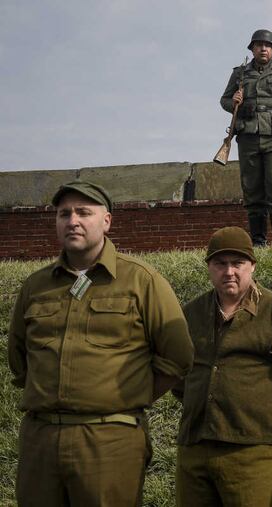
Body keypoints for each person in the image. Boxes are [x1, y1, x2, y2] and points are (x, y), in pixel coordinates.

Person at [7, 180, 194, 506]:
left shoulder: (141, 281)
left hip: (109, 440)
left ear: (106, 221)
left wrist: (129, 396)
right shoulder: (35, 286)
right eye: (64, 214)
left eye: (83, 212)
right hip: (41, 439)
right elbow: (19, 358)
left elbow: (178, 356)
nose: (73, 221)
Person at [173, 226, 272, 506]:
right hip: (196, 445)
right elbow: (178, 372)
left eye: (238, 263)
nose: (229, 272)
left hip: (254, 448)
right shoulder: (191, 313)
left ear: (253, 266)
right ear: (209, 267)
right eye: (220, 264)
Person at [220, 28, 272, 247]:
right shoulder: (240, 73)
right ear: (252, 49)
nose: (263, 49)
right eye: (258, 45)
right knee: (252, 187)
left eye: (267, 46)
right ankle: (258, 239)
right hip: (248, 136)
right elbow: (224, 101)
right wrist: (235, 101)